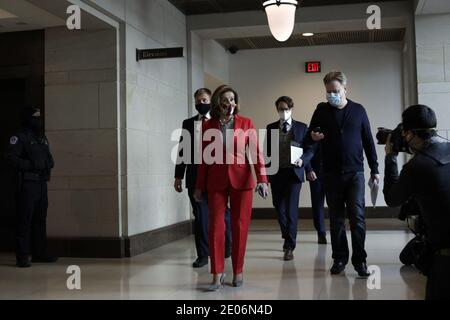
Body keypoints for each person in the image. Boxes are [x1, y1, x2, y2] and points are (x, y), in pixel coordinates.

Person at [304, 71, 379, 277]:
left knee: (357, 217)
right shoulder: (321, 111)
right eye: (328, 92)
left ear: (345, 89)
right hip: (331, 173)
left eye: (335, 91)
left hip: (355, 172)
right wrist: (312, 136)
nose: (331, 95)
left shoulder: (358, 110)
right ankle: (339, 258)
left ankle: (360, 261)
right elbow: (309, 138)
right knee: (336, 219)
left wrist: (375, 168)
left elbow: (368, 141)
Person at [194, 85, 268, 290]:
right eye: (225, 100)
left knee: (239, 226)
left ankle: (238, 271)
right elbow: (203, 158)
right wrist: (199, 186)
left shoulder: (246, 123)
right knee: (216, 226)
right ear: (218, 103)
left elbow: (256, 153)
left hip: (242, 180)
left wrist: (262, 179)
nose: (230, 104)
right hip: (216, 181)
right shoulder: (209, 126)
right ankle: (217, 273)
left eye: (233, 100)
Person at [383, 104, 450, 300]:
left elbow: (392, 199)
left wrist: (390, 158)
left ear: (410, 134)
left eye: (404, 133)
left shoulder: (417, 166)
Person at [174, 88, 232, 268]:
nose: (202, 103)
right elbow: (182, 149)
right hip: (194, 176)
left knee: (223, 214)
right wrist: (178, 175)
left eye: (205, 100)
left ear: (211, 101)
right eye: (198, 100)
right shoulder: (188, 123)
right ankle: (203, 255)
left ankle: (227, 246)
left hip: (216, 176)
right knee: (200, 216)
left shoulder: (218, 122)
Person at [5, 106, 57, 268]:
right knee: (25, 220)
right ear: (28, 119)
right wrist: (31, 164)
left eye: (39, 118)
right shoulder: (19, 137)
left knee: (40, 220)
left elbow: (49, 159)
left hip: (41, 183)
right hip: (27, 184)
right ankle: (22, 257)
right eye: (35, 118)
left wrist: (48, 163)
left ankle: (39, 253)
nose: (38, 121)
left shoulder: (41, 138)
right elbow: (10, 159)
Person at [265, 96, 311, 261]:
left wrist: (308, 168)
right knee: (279, 208)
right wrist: (263, 177)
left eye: (285, 109)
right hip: (276, 174)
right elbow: (267, 153)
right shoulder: (270, 128)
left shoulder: (301, 127)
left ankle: (290, 246)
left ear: (291, 108)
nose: (283, 112)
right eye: (280, 109)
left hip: (294, 174)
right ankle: (287, 234)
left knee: (291, 210)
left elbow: (308, 150)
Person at [305, 145, 327, 245]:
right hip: (316, 172)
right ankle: (321, 233)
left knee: (336, 204)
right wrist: (309, 169)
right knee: (317, 204)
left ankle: (337, 233)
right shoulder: (312, 131)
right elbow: (305, 149)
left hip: (333, 173)